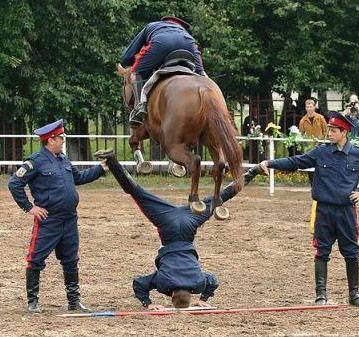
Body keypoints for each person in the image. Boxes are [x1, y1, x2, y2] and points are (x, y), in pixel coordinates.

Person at [95, 149, 262, 309]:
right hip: (167, 224)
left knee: (221, 197)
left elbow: (213, 281)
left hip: (190, 222)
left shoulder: (199, 283)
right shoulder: (163, 284)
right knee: (137, 192)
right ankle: (111, 159)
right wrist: (148, 303)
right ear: (171, 295)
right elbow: (139, 283)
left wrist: (203, 298)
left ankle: (253, 172)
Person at [259, 111, 359, 307]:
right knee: (322, 251)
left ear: (344, 132)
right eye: (330, 130)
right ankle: (321, 295)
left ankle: (354, 294)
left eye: (333, 131)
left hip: (346, 212)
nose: (329, 134)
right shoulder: (321, 152)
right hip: (323, 210)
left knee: (351, 252)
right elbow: (295, 162)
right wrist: (270, 163)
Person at [8, 119, 108, 314]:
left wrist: (101, 169)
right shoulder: (34, 161)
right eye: (60, 138)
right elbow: (14, 184)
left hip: (69, 219)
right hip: (48, 220)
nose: (63, 141)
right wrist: (29, 208)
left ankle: (73, 301)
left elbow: (78, 178)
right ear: (50, 139)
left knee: (71, 260)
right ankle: (33, 302)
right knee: (35, 259)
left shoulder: (63, 160)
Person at [121, 16, 205, 127]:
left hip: (162, 42)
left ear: (164, 22)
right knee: (202, 75)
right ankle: (217, 104)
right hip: (188, 43)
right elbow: (198, 64)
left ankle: (140, 107)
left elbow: (128, 55)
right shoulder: (184, 31)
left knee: (136, 72)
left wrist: (128, 61)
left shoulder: (152, 26)